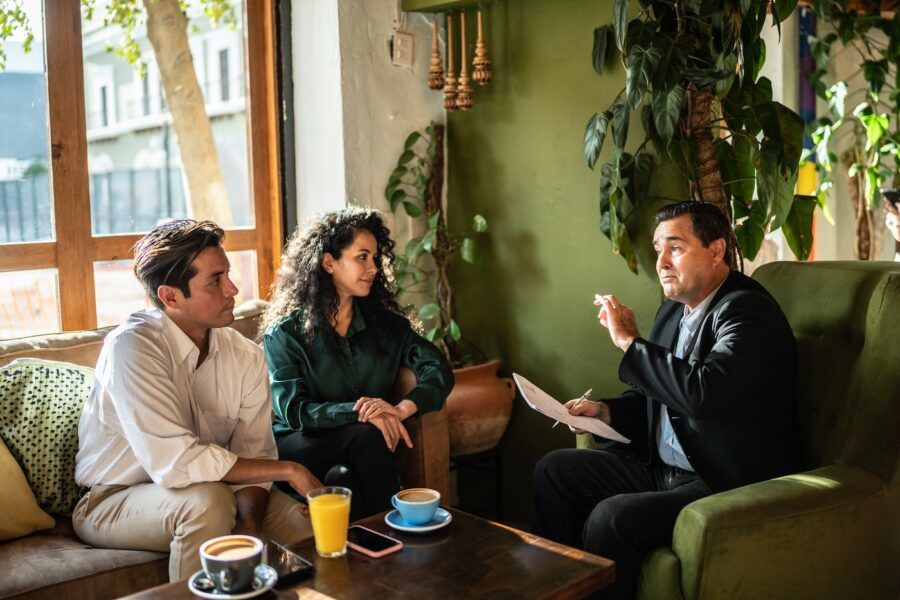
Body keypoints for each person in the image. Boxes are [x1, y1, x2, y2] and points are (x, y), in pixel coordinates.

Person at [533, 201, 803, 599]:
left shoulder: (748, 313)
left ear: (716, 250)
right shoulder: (671, 313)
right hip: (663, 470)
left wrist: (629, 342)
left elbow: (701, 394)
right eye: (658, 248)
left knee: (612, 518)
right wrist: (604, 412)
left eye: (674, 248)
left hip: (718, 478)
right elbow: (654, 401)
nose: (660, 262)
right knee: (554, 471)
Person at [74, 220, 322, 583]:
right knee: (208, 504)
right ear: (170, 297)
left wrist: (251, 522)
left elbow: (255, 452)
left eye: (228, 275)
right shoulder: (132, 347)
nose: (232, 289)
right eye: (215, 280)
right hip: (112, 501)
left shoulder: (246, 356)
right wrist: (291, 470)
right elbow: (176, 462)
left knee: (308, 525)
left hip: (215, 489)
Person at [260, 207, 454, 520]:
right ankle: (396, 535)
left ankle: (371, 549)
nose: (374, 268)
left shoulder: (387, 328)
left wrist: (401, 409)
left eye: (376, 258)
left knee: (347, 475)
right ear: (328, 263)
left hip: (365, 443)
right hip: (301, 442)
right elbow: (294, 411)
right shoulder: (285, 335)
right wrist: (361, 411)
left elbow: (438, 369)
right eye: (362, 257)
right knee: (365, 436)